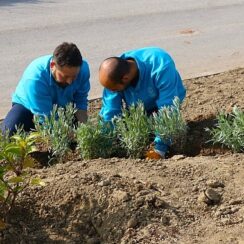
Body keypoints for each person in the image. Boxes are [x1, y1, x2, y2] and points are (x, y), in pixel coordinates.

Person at [99, 47, 186, 158]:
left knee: (167, 127)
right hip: (137, 105)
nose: (110, 92)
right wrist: (103, 143)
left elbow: (168, 107)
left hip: (165, 99)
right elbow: (110, 110)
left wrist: (159, 148)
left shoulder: (160, 65)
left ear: (125, 78)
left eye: (113, 90)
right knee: (134, 130)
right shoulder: (113, 75)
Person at [1, 42, 90, 135]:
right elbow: (45, 118)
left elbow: (80, 101)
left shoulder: (83, 69)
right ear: (52, 66)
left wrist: (85, 129)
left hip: (62, 107)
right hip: (28, 107)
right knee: (6, 134)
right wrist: (67, 134)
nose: (70, 82)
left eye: (74, 76)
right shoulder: (35, 78)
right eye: (65, 76)